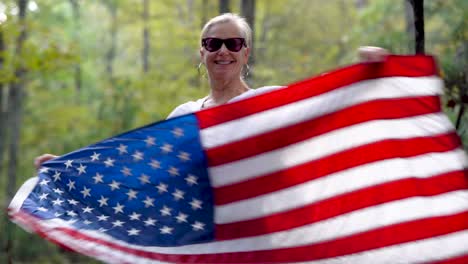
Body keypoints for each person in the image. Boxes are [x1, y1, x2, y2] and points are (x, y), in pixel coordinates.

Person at [34, 13, 389, 168]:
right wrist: (68, 167)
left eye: (233, 43)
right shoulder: (183, 116)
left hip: (258, 242)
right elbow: (138, 167)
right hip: (201, 246)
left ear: (245, 53)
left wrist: (367, 76)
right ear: (201, 52)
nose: (223, 51)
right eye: (213, 43)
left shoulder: (267, 103)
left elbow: (326, 111)